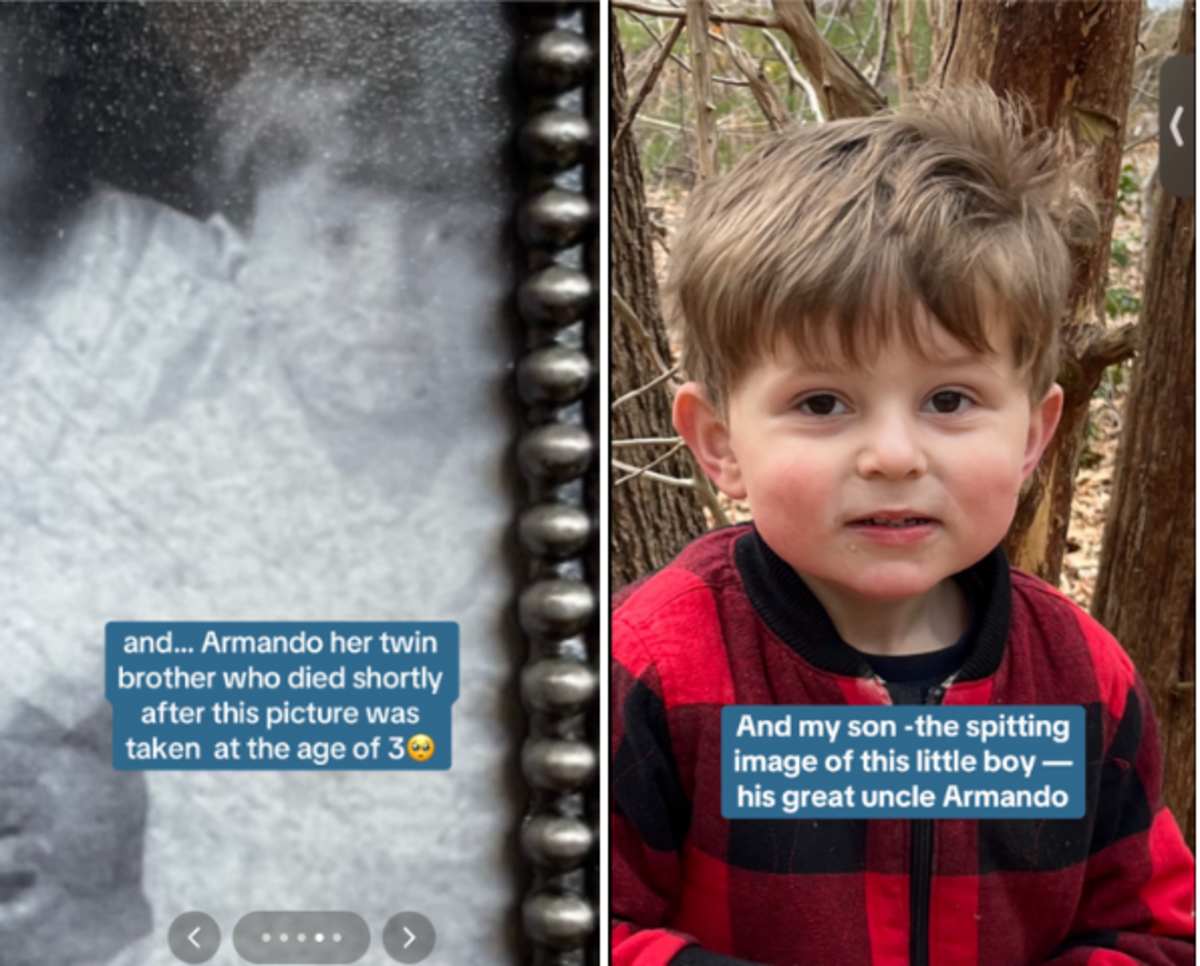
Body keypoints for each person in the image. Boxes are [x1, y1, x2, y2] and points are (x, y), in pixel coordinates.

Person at [611, 85, 1195, 965]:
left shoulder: (1081, 674)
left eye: (949, 399)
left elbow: (1153, 927)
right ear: (721, 444)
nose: (892, 455)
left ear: (1034, 434)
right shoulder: (658, 666)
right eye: (822, 402)